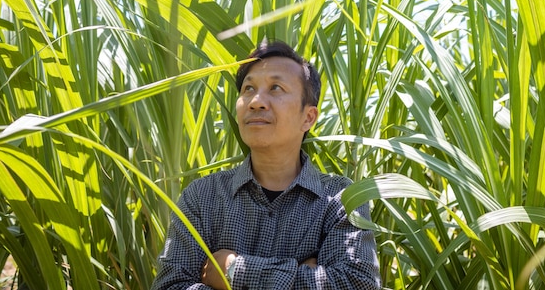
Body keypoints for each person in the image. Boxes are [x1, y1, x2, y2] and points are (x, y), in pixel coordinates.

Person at [151, 41, 381, 290]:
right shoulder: (202, 198)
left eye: (276, 88)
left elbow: (358, 284)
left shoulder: (341, 199)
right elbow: (169, 287)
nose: (256, 101)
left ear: (308, 117)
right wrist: (306, 274)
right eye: (248, 88)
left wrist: (232, 270)